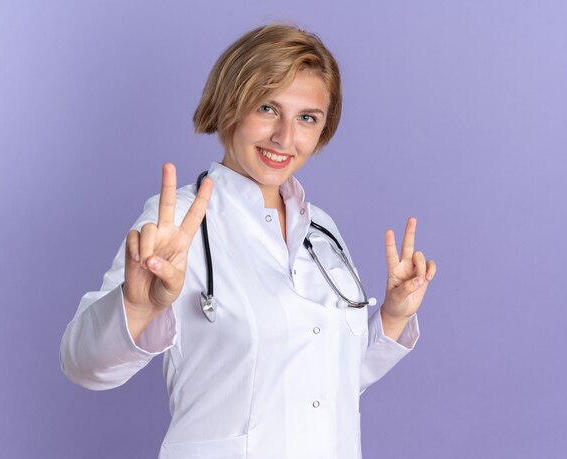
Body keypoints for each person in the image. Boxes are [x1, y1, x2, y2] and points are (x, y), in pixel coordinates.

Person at [60, 23, 436, 459]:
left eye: (307, 118)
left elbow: (326, 385)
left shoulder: (323, 232)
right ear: (229, 105)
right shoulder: (179, 222)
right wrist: (137, 306)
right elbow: (82, 365)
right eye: (266, 108)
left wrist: (391, 318)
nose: (284, 138)